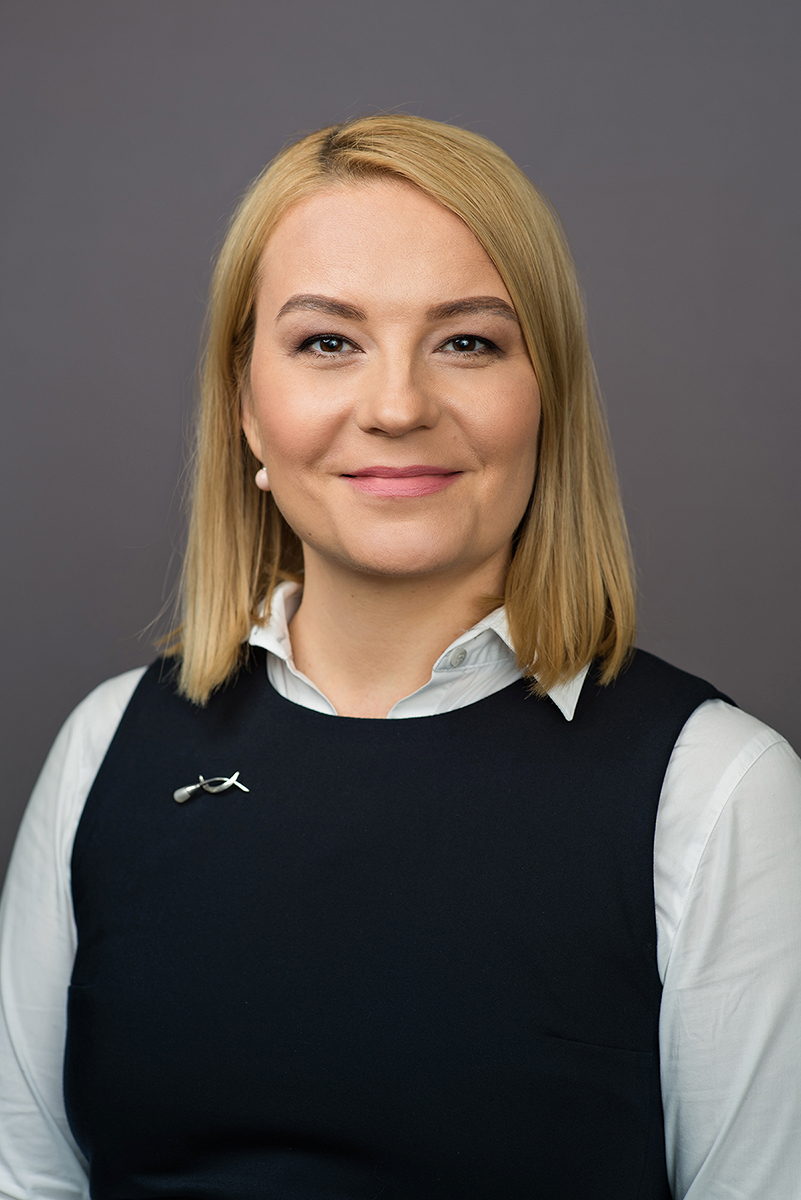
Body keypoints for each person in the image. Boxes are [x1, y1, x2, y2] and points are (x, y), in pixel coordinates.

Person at [0, 114, 799, 1200]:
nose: (397, 408)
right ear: (246, 408)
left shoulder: (716, 791)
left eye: (467, 342)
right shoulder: (106, 750)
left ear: (548, 395)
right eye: (328, 342)